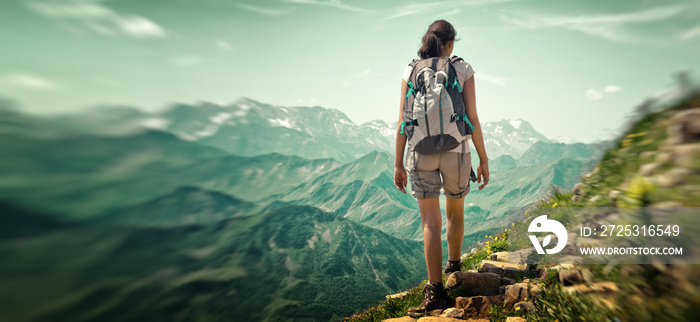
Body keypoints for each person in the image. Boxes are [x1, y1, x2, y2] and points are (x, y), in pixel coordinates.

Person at [393, 19, 489, 316]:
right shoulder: (462, 69)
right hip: (456, 151)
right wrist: (483, 159)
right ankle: (455, 267)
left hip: (419, 153)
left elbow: (401, 122)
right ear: (450, 44)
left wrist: (398, 164)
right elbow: (472, 118)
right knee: (454, 213)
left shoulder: (410, 71)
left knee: (430, 224)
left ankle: (435, 292)